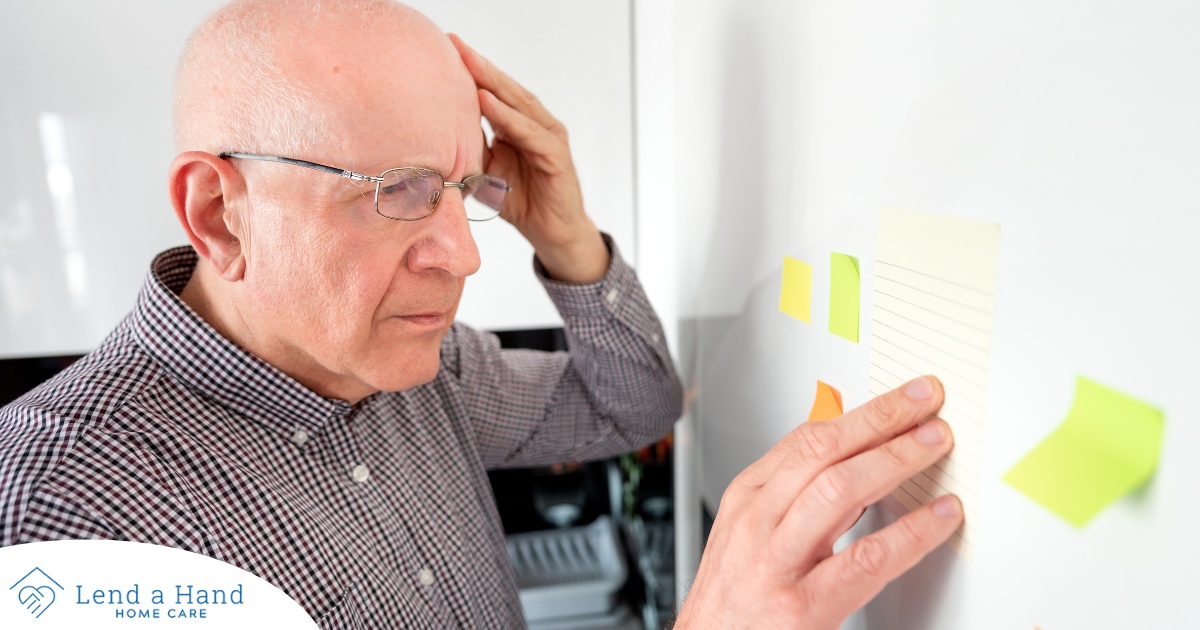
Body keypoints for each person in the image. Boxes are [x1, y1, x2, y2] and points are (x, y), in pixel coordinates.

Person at [0, 1, 962, 628]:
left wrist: (568, 235)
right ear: (220, 214)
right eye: (402, 190)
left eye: (465, 189)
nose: (462, 253)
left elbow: (632, 406)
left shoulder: (421, 371)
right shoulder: (65, 517)